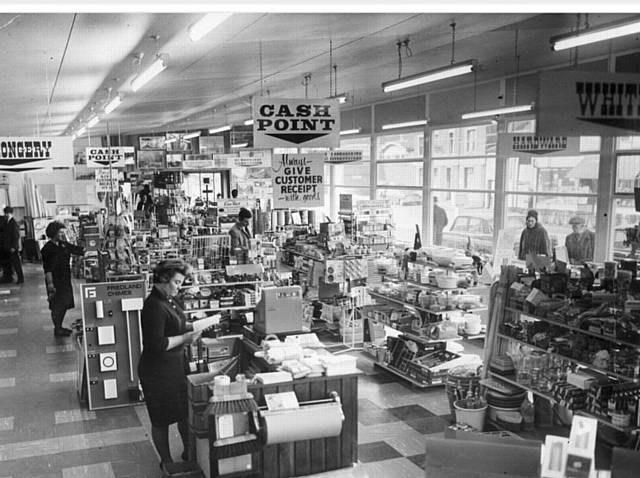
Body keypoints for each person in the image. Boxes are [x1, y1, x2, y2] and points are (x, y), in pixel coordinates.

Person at [138, 259, 201, 470]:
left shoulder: (169, 299)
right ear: (163, 279)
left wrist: (197, 325)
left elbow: (177, 324)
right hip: (157, 371)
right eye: (176, 282)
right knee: (161, 419)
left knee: (183, 412)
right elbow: (157, 344)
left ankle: (189, 452)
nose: (179, 286)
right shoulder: (153, 306)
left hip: (175, 367)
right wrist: (185, 338)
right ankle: (166, 461)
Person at [40, 221, 85, 337]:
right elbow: (47, 269)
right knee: (56, 305)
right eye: (60, 232)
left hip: (65, 279)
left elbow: (77, 250)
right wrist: (50, 284)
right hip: (55, 281)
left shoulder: (63, 244)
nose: (62, 234)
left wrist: (89, 248)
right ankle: (57, 328)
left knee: (65, 303)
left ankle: (59, 326)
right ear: (53, 233)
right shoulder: (47, 249)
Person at [0, 207, 23, 284]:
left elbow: (16, 236)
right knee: (9, 263)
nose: (6, 215)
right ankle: (9, 277)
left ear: (10, 213)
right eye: (5, 213)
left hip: (12, 247)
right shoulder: (7, 222)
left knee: (16, 264)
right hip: (7, 247)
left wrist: (14, 246)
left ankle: (21, 278)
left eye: (7, 213)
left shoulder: (13, 222)